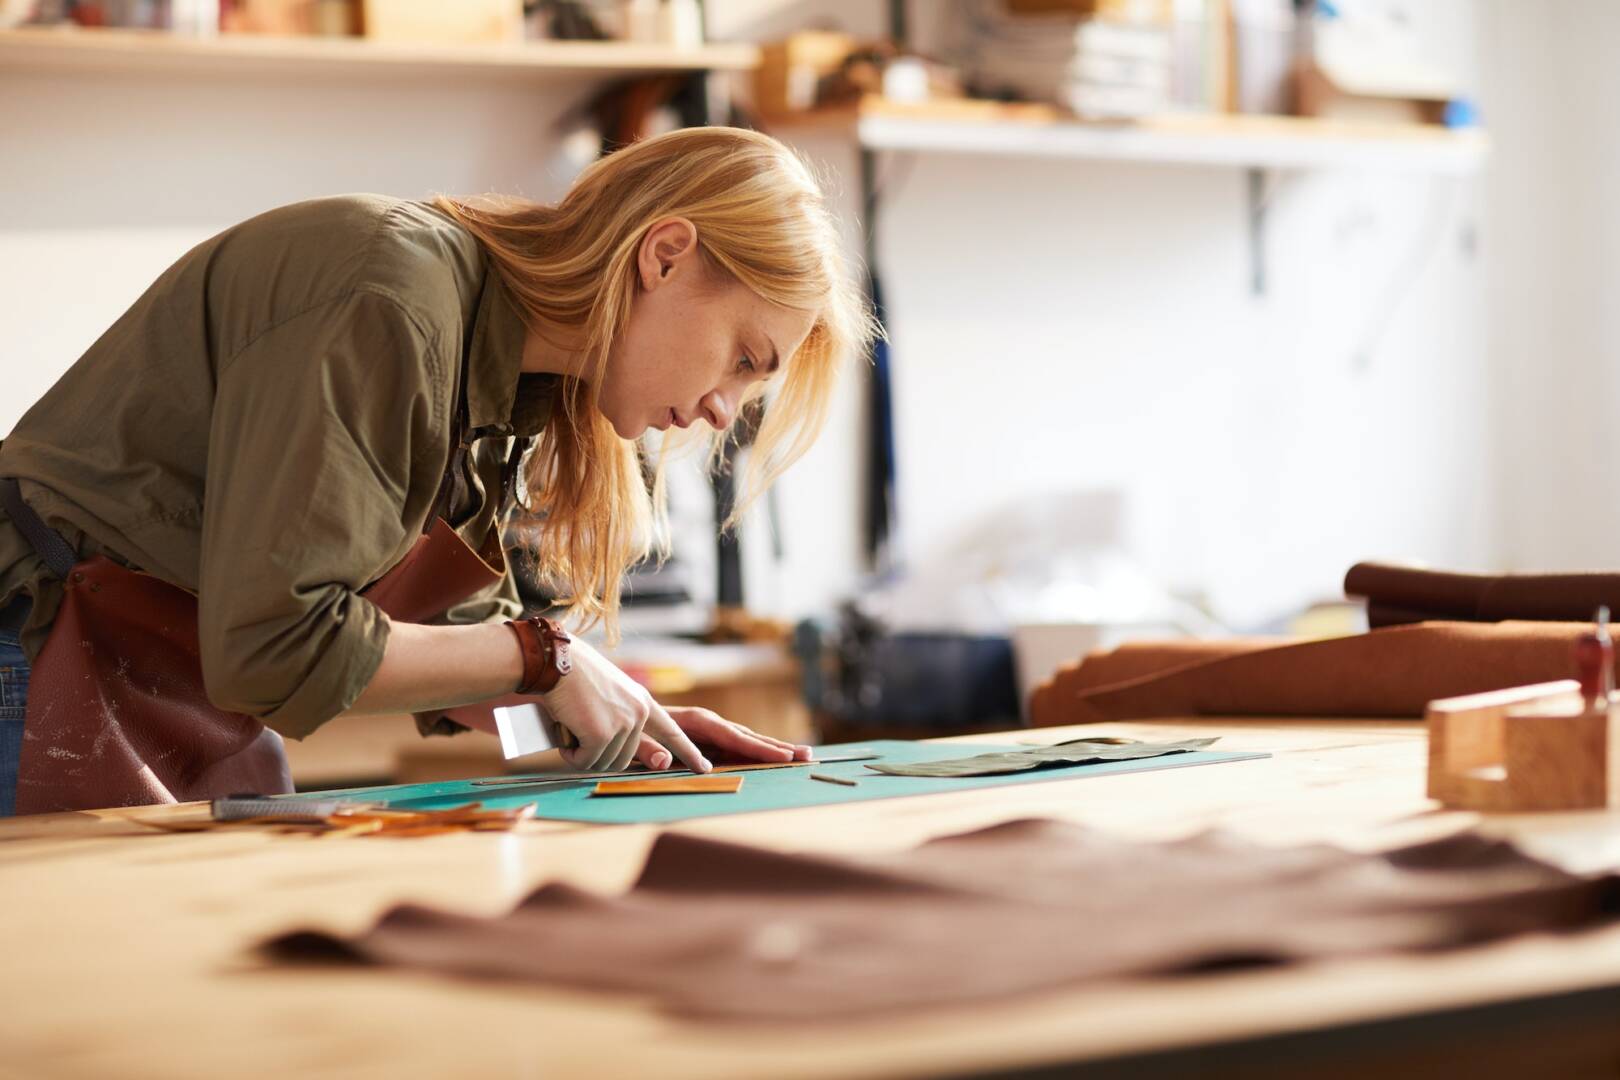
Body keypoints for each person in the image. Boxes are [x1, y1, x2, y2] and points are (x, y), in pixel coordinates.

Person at [0, 126, 874, 816]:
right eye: (744, 358)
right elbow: (275, 649)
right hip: (32, 639)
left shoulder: (513, 380)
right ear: (666, 254)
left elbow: (457, 660)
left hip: (144, 671)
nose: (726, 410)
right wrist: (550, 658)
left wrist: (614, 734)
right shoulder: (390, 297)